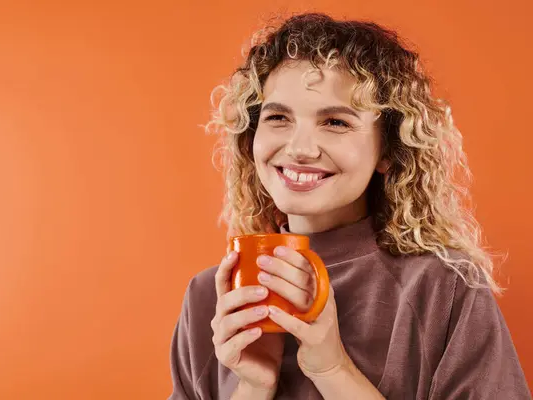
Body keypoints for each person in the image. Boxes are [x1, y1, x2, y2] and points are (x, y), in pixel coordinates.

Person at [168, 12, 531, 400]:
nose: (300, 148)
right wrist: (253, 387)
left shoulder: (444, 290)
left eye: (336, 123)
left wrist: (332, 369)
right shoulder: (209, 298)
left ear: (388, 151)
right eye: (277, 117)